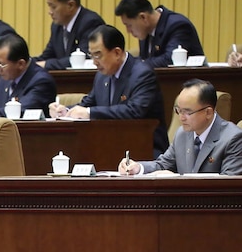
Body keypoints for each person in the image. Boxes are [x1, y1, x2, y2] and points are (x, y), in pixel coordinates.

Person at [49, 25, 169, 157]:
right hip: (110, 145)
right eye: (91, 55)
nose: (94, 62)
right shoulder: (102, 75)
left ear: (117, 53)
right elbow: (90, 102)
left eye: (98, 55)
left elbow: (134, 111)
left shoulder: (142, 74)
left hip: (145, 148)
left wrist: (89, 113)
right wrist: (65, 111)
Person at [119, 80, 242, 176]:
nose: (181, 118)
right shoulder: (182, 133)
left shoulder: (233, 138)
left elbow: (229, 186)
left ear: (208, 112)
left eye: (187, 112)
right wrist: (137, 168)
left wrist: (177, 179)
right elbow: (163, 164)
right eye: (179, 111)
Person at [114, 0, 203, 69]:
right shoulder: (145, 31)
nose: (128, 31)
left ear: (143, 17)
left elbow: (170, 59)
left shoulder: (178, 26)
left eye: (129, 25)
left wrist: (133, 65)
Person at [34, 0, 104, 70]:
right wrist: (27, 63)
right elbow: (47, 56)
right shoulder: (57, 26)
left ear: (70, 5)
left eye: (53, 7)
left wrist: (45, 64)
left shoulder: (91, 23)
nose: (50, 12)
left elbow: (82, 59)